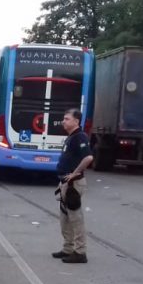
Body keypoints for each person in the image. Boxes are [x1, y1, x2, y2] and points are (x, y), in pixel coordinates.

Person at [53, 109, 94, 264]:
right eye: (64, 119)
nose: (63, 121)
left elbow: (88, 157)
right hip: (65, 182)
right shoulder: (71, 137)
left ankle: (80, 252)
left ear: (76, 121)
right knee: (65, 218)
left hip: (73, 184)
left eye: (67, 119)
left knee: (75, 218)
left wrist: (75, 173)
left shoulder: (80, 137)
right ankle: (68, 248)